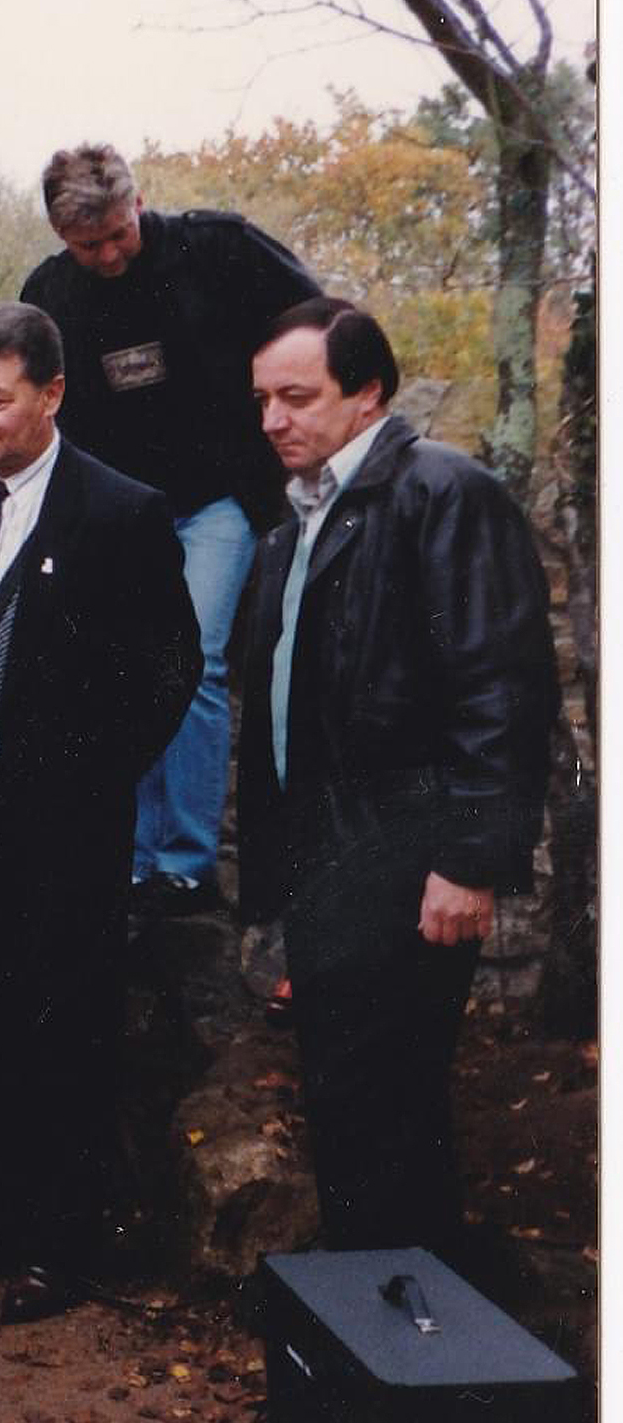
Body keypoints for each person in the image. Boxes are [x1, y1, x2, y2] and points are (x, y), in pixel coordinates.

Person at [238, 298, 556, 1253]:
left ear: (368, 393)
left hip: (409, 849)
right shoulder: (297, 518)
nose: (273, 419)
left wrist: (471, 860)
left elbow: (501, 684)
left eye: (298, 397)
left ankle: (407, 1316)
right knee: (348, 1094)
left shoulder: (443, 492)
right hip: (328, 851)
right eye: (262, 400)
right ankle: (369, 1312)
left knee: (391, 1098)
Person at [0, 304, 199, 1321]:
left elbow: (171, 669)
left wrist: (91, 775)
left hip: (68, 825)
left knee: (66, 1026)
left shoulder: (119, 511)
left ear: (53, 393)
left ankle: (61, 1245)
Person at [20, 143, 318, 914]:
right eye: (88, 245)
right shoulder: (50, 292)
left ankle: (186, 860)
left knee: (197, 658)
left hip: (220, 499)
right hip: (120, 513)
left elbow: (319, 322)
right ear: (60, 236)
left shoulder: (218, 247)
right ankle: (131, 857)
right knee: (122, 668)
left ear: (139, 201)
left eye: (118, 234)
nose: (108, 255)